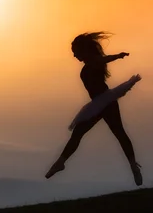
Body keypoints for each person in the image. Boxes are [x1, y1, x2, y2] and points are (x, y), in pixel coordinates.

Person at [45, 32, 143, 186]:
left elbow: (102, 59)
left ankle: (133, 166)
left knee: (114, 133)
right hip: (98, 104)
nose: (74, 55)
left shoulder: (93, 62)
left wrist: (117, 56)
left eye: (75, 52)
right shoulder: (89, 64)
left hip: (105, 102)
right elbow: (101, 60)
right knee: (85, 132)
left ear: (83, 50)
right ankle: (60, 163)